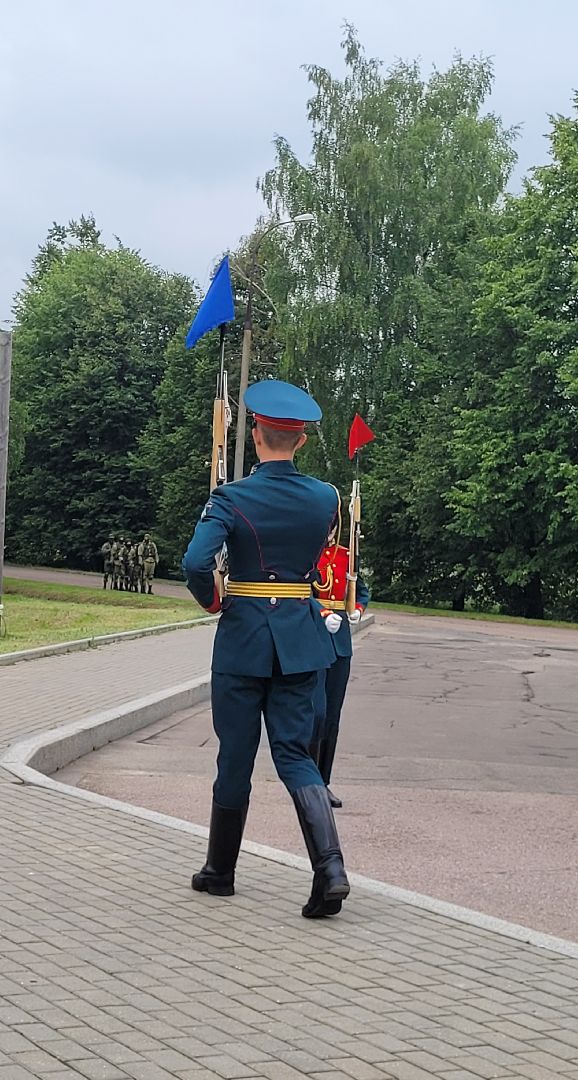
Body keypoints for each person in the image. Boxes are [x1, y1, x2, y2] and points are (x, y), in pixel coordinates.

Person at [182, 379, 350, 919]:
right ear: (299, 441)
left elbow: (194, 565)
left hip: (244, 640)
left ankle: (220, 872)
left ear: (256, 434)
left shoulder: (231, 498)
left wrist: (214, 602)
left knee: (236, 753)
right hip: (301, 643)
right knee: (296, 756)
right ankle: (331, 870)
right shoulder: (327, 498)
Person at [311, 527, 369, 808]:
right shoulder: (306, 554)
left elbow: (361, 590)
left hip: (340, 643)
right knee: (316, 714)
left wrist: (357, 607)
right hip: (313, 636)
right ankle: (306, 780)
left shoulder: (347, 556)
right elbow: (301, 593)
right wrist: (321, 612)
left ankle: (323, 782)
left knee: (332, 717)